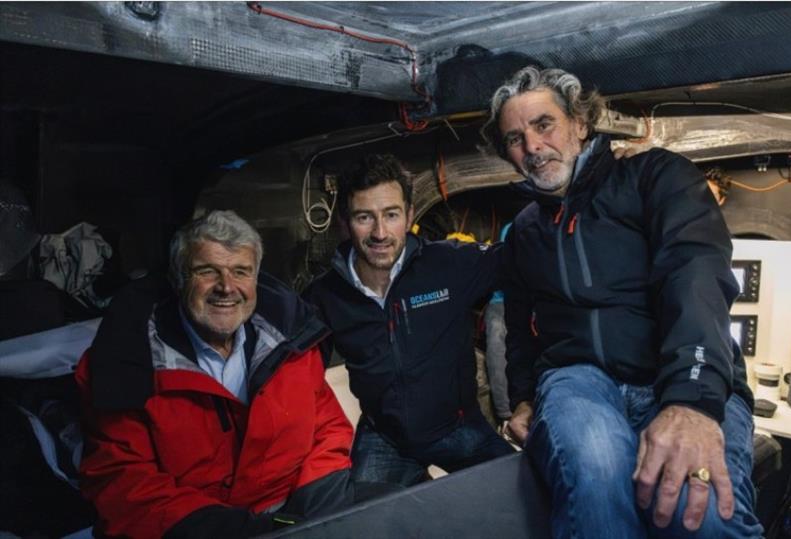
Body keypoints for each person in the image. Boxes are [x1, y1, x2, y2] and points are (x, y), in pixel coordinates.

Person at [481, 66, 761, 538]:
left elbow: (694, 277)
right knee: (595, 476)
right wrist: (524, 398)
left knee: (702, 515)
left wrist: (692, 402)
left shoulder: (657, 176)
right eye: (514, 137)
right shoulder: (525, 230)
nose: (531, 147)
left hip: (677, 375)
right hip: (579, 380)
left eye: (543, 124)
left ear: (580, 123)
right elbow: (518, 321)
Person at [76, 210, 355, 539]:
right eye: (207, 271)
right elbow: (123, 484)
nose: (227, 287)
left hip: (293, 514)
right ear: (180, 277)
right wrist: (244, 530)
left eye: (241, 271)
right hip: (195, 530)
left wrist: (313, 512)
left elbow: (329, 428)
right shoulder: (128, 363)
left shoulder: (291, 343)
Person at [304, 154, 514, 488]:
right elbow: (298, 382)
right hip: (385, 440)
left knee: (519, 496)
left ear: (410, 215)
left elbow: (531, 252)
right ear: (344, 221)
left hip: (460, 430)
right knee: (365, 524)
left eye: (391, 215)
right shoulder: (324, 296)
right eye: (364, 217)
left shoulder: (449, 264)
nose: (380, 232)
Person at [484, 221, 513, 423]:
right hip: (503, 299)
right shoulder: (513, 229)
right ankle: (506, 414)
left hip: (539, 297)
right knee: (496, 332)